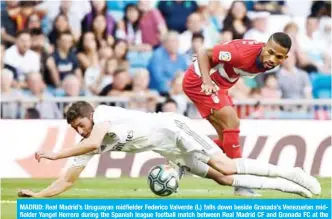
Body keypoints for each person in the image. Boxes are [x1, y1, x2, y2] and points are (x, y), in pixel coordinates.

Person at [18, 101, 320, 198]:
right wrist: (38, 196)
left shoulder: (102, 114)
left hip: (173, 128)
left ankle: (292, 173)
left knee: (226, 166)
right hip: (171, 150)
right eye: (76, 130)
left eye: (81, 124)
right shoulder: (87, 142)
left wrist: (55, 153)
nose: (80, 130)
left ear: (89, 115)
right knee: (223, 179)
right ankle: (290, 187)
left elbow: (94, 140)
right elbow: (67, 181)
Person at [182, 32, 292, 196]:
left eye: (279, 57)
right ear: (264, 46)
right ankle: (241, 183)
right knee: (232, 122)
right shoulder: (242, 54)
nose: (272, 60)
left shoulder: (264, 60)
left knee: (227, 140)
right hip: (200, 82)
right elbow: (204, 52)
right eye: (270, 53)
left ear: (285, 58)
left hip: (220, 86)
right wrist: (206, 80)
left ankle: (184, 161)